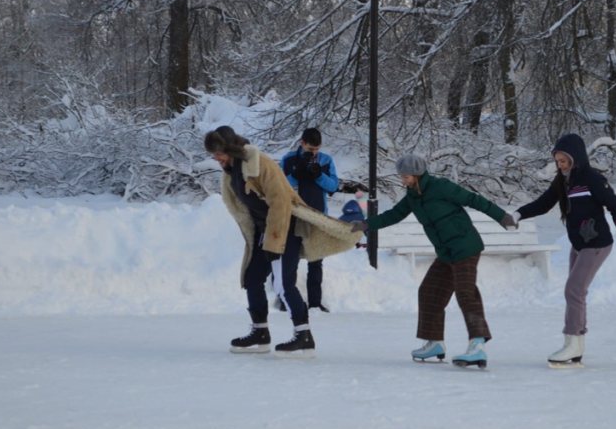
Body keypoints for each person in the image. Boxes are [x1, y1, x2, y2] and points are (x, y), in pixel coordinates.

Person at [350, 154, 516, 368]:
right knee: (429, 291)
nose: (403, 180)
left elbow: (474, 199)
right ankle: (435, 342)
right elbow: (393, 215)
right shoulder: (412, 196)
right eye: (402, 176)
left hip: (465, 245)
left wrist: (502, 217)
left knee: (465, 292)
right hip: (446, 252)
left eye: (406, 176)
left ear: (417, 174)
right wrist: (365, 224)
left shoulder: (441, 187)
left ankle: (477, 344)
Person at [206, 126, 355, 357]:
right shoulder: (232, 171)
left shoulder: (260, 164)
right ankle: (260, 333)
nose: (216, 159)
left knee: (283, 284)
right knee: (253, 278)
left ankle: (304, 335)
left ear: (231, 149)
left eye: (219, 153)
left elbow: (281, 202)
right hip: (264, 230)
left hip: (286, 226)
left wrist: (275, 242)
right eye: (214, 155)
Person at [512, 133, 616, 368]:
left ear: (575, 158)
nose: (561, 165)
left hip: (597, 244)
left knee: (574, 290)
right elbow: (543, 203)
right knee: (576, 292)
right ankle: (575, 343)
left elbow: (615, 207)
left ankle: (573, 343)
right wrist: (518, 214)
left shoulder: (592, 179)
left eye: (564, 161)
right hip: (578, 244)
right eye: (558, 161)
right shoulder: (562, 182)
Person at [280, 127, 339, 313]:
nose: (313, 153)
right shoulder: (289, 159)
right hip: (294, 215)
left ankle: (315, 302)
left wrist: (318, 174)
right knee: (290, 260)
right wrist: (296, 174)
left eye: (316, 149)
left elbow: (334, 186)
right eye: (310, 149)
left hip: (317, 215)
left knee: (316, 260)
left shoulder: (326, 160)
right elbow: (280, 186)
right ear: (302, 143)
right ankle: (287, 299)